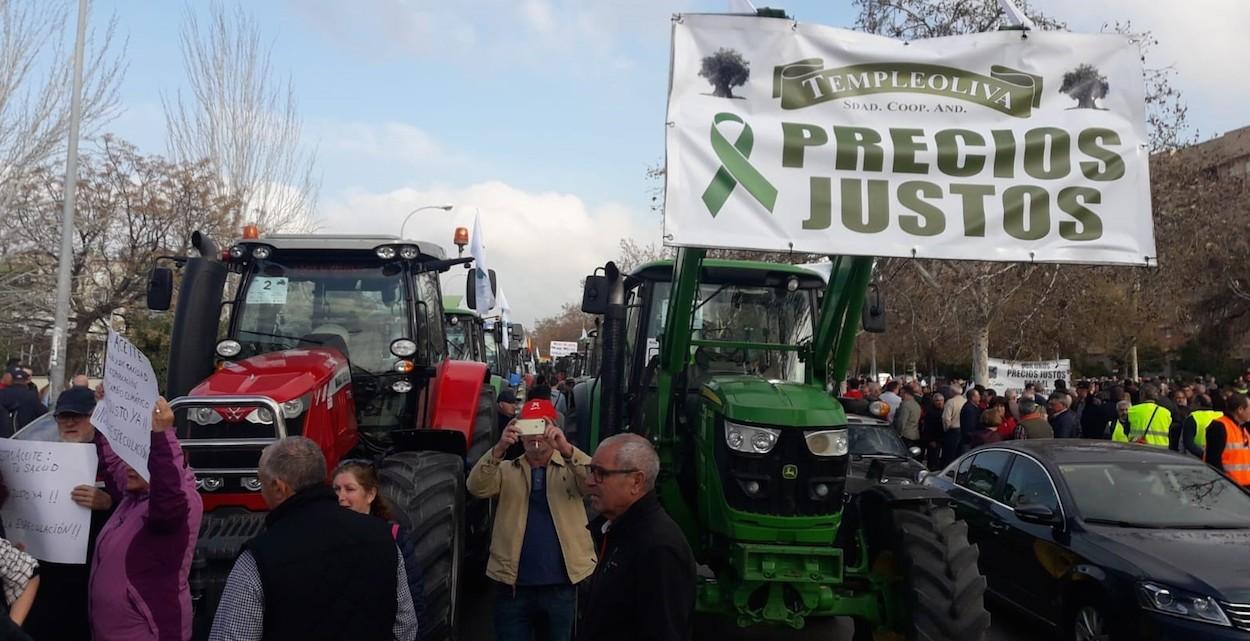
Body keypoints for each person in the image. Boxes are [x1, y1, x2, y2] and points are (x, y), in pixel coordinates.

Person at [208, 437, 417, 641]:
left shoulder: (258, 559)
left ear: (279, 487)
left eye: (261, 484)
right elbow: (405, 626)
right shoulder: (383, 539)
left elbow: (231, 635)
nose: (261, 493)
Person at [467, 407, 595, 641]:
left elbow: (594, 482)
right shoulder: (507, 470)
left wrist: (566, 449)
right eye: (528, 428)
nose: (535, 436)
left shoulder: (570, 468)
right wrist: (499, 449)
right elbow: (476, 487)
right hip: (513, 588)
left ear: (554, 429)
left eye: (541, 427)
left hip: (561, 586)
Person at [90, 397, 203, 641]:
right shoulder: (135, 493)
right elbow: (112, 462)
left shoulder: (180, 502)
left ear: (160, 464)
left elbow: (168, 499)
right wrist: (105, 412)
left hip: (149, 632)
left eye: (142, 458)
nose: (131, 465)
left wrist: (163, 435)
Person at [578, 434, 694, 641]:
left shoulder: (660, 548)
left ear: (636, 482)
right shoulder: (618, 531)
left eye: (600, 473)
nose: (589, 481)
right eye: (591, 470)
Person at [22, 386, 116, 641]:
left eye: (79, 415)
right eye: (64, 416)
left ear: (95, 418)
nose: (70, 422)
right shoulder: (39, 456)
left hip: (90, 575)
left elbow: (139, 510)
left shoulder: (112, 461)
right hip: (44, 573)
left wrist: (109, 503)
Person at [332, 461, 425, 633]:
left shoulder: (394, 537)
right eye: (337, 489)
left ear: (370, 494)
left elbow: (412, 598)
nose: (341, 497)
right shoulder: (328, 537)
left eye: (349, 489)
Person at [1203, 394, 1250, 487]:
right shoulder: (1220, 426)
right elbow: (1213, 462)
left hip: (1243, 488)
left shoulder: (1241, 427)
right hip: (1229, 488)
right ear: (1240, 410)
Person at [0, 370, 44, 437]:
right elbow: (42, 414)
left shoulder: (2, 393)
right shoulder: (31, 396)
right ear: (26, 381)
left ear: (12, 381)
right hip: (24, 436)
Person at [921, 393, 945, 470]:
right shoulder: (930, 412)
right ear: (933, 401)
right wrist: (931, 440)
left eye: (941, 400)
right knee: (932, 459)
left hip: (941, 439)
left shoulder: (944, 411)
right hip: (933, 440)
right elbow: (928, 428)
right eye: (937, 400)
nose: (940, 402)